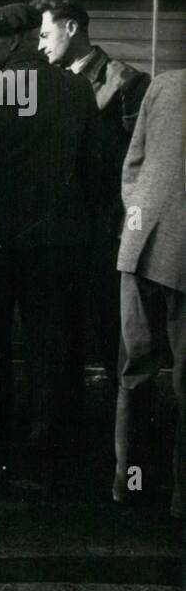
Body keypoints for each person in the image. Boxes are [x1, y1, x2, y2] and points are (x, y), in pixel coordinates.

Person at [0, 3, 101, 493]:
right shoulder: (76, 88)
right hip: (57, 241)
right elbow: (96, 164)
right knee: (49, 337)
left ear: (17, 41)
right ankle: (48, 432)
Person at [32, 0, 151, 380]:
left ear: (71, 27)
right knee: (60, 333)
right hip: (61, 229)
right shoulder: (48, 82)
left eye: (46, 35)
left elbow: (141, 161)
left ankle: (123, 429)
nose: (40, 45)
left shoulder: (125, 82)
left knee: (109, 330)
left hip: (104, 232)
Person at [112, 68, 185, 518]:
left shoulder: (165, 83)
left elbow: (133, 163)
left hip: (140, 245)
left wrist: (139, 214)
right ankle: (183, 498)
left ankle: (128, 480)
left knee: (135, 368)